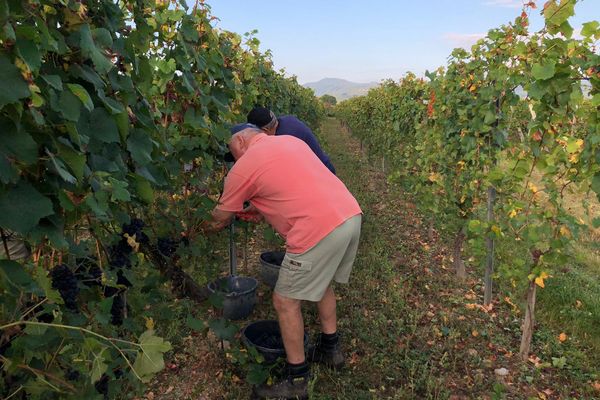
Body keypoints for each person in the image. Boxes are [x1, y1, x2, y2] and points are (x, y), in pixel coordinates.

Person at [205, 126, 361, 399]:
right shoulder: (289, 141)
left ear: (241, 140)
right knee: (322, 282)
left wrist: (192, 229)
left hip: (318, 229)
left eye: (233, 154)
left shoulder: (242, 168)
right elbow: (293, 185)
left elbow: (220, 218)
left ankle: (297, 381)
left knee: (285, 301)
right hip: (349, 215)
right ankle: (330, 350)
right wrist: (261, 207)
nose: (234, 161)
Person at [247, 107, 336, 174]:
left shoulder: (283, 139)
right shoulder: (288, 120)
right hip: (323, 167)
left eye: (257, 132)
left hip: (322, 173)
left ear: (265, 129)